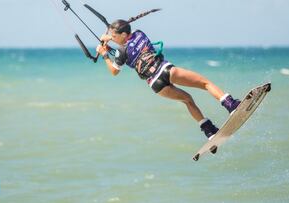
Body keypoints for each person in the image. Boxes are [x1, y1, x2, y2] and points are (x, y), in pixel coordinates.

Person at [96, 12, 240, 151]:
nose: (112, 38)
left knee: (188, 100)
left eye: (114, 36)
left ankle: (209, 131)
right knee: (205, 83)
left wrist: (104, 54)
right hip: (166, 71)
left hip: (155, 84)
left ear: (123, 35)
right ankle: (230, 105)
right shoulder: (139, 33)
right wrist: (110, 40)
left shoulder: (121, 52)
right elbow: (128, 41)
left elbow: (115, 70)